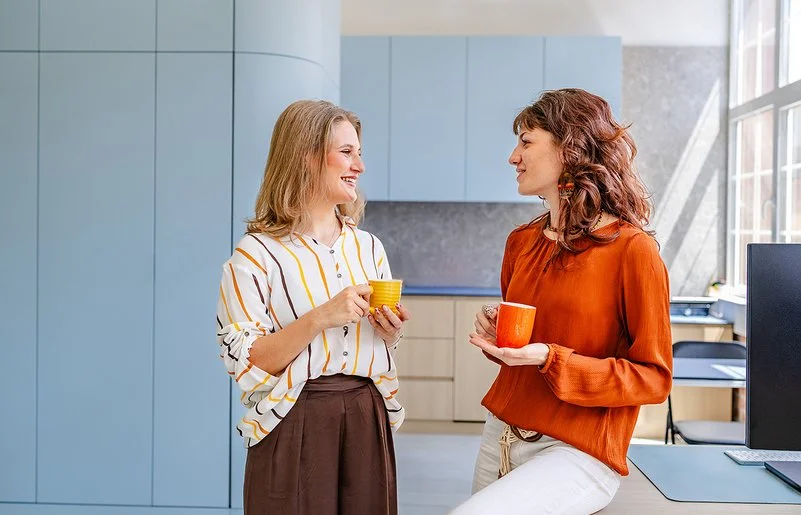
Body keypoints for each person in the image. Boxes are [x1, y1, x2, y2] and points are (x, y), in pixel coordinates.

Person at [452, 89, 673, 515]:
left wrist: (552, 360)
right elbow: (525, 350)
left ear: (569, 147)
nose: (512, 157)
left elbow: (653, 379)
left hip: (577, 449)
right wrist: (498, 329)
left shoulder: (633, 251)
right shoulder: (521, 243)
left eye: (526, 141)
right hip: (499, 435)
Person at [216, 99, 411, 515]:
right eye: (346, 152)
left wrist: (390, 331)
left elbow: (379, 345)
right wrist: (321, 317)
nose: (358, 164)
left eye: (359, 153)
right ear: (305, 156)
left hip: (365, 411)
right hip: (294, 416)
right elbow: (245, 362)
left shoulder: (369, 246)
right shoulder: (255, 256)